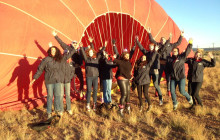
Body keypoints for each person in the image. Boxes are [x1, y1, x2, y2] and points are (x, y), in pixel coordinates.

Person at [146, 27, 184, 97]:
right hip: (160, 63)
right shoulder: (158, 45)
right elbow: (152, 40)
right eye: (161, 40)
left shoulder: (170, 45)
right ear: (160, 41)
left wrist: (181, 36)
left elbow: (178, 43)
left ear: (166, 40)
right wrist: (149, 33)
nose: (162, 41)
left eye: (163, 40)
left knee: (168, 77)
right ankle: (157, 91)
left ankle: (168, 91)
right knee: (158, 77)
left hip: (168, 64)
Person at [30, 45, 63, 118]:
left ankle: (57, 110)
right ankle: (49, 112)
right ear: (50, 51)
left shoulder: (59, 59)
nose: (53, 52)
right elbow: (40, 69)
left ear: (56, 51)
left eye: (54, 50)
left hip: (57, 80)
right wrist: (34, 79)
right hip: (49, 81)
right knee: (50, 96)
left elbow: (67, 56)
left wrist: (74, 49)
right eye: (52, 50)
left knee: (57, 96)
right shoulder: (46, 59)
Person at [52, 31, 84, 97]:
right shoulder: (68, 48)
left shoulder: (79, 50)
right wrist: (55, 36)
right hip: (71, 67)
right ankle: (66, 93)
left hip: (77, 67)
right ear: (72, 44)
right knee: (68, 80)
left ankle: (81, 90)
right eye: (74, 43)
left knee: (81, 79)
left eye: (76, 43)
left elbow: (85, 54)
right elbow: (61, 43)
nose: (75, 44)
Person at [166, 38, 194, 110]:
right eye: (173, 51)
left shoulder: (181, 57)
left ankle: (189, 98)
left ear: (178, 52)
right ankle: (175, 103)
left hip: (181, 77)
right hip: (173, 78)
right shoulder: (169, 59)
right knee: (172, 91)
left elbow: (187, 51)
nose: (174, 52)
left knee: (182, 91)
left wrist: (190, 43)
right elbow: (168, 68)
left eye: (175, 51)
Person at [111, 40, 136, 116]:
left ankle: (127, 108)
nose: (128, 56)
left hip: (127, 79)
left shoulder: (128, 62)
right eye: (126, 55)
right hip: (121, 79)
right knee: (124, 94)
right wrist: (114, 46)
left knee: (128, 94)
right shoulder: (120, 61)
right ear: (123, 56)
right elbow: (113, 58)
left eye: (128, 56)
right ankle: (120, 110)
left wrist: (134, 46)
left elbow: (131, 53)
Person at [136, 37, 163, 105]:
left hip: (155, 70)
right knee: (146, 83)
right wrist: (137, 41)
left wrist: (156, 50)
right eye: (149, 46)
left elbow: (158, 55)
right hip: (148, 70)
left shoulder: (157, 53)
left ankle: (160, 98)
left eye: (152, 46)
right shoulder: (147, 53)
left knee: (156, 84)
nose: (150, 47)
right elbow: (142, 48)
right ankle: (146, 98)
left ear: (154, 47)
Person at [80, 40, 106, 111]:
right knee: (89, 90)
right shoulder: (86, 59)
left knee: (95, 90)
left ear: (93, 52)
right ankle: (88, 104)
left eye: (91, 52)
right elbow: (83, 53)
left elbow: (100, 53)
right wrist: (81, 47)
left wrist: (104, 46)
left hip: (95, 77)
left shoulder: (96, 59)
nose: (90, 53)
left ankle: (94, 104)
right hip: (89, 77)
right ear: (88, 53)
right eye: (89, 52)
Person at [133, 44, 159, 112]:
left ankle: (150, 105)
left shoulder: (148, 65)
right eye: (142, 57)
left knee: (145, 93)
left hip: (146, 81)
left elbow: (152, 59)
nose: (143, 58)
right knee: (139, 95)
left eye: (144, 58)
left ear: (146, 59)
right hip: (139, 81)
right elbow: (135, 74)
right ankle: (141, 106)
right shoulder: (137, 65)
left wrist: (155, 51)